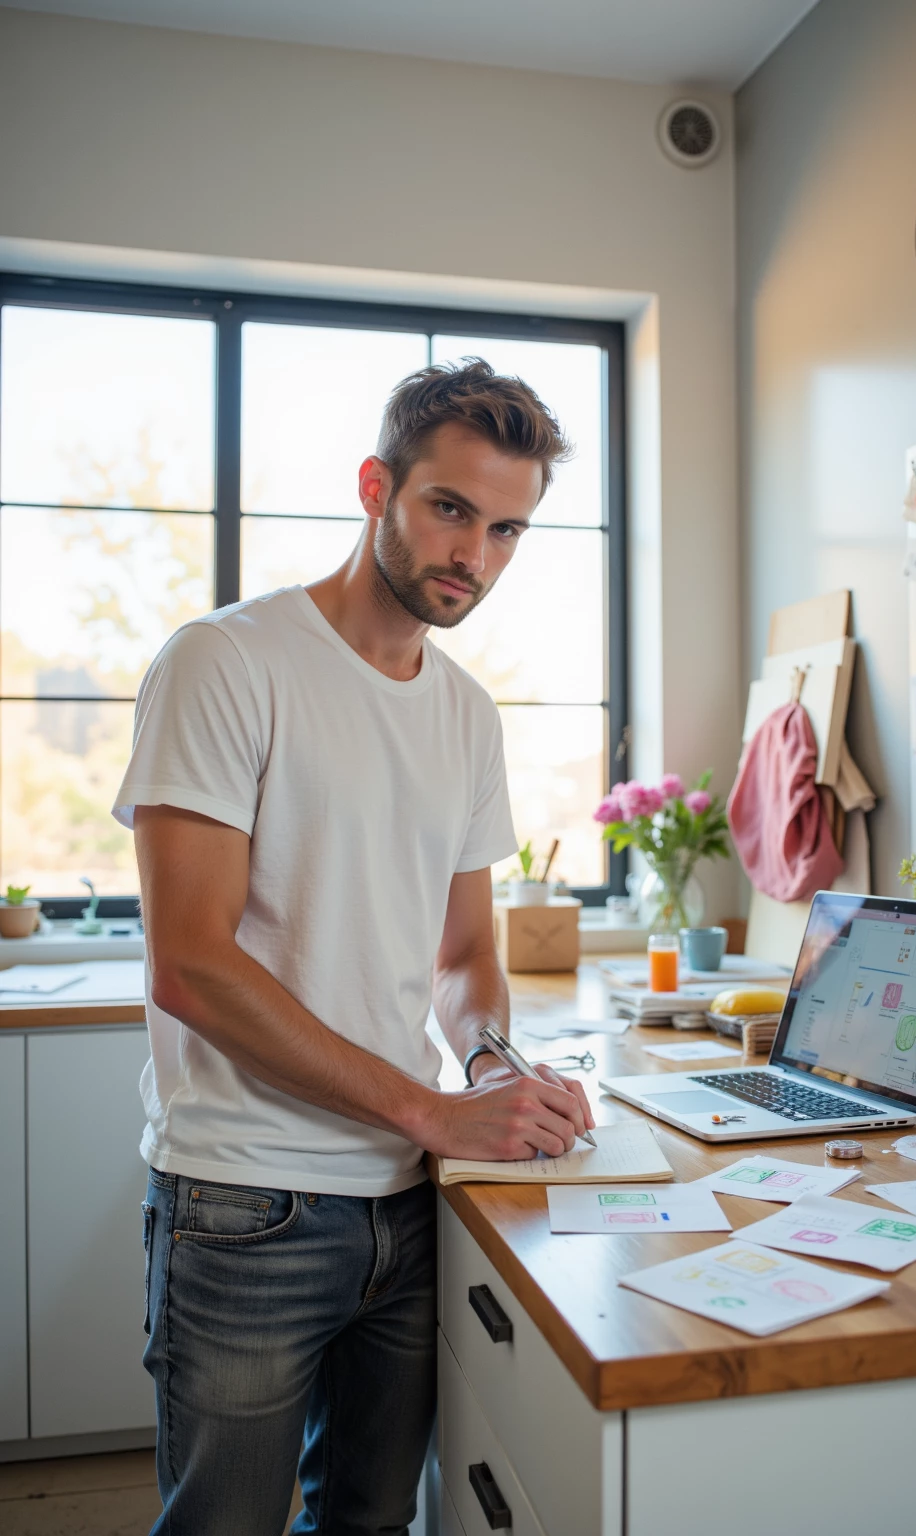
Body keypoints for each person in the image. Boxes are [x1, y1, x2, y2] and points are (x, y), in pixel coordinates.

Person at [113, 359, 596, 1536]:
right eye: (448, 509)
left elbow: (465, 949)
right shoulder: (226, 663)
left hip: (409, 1199)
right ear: (377, 485)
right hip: (246, 1201)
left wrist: (488, 1066)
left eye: (506, 529)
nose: (472, 554)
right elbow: (190, 961)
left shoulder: (466, 713)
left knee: (374, 1521)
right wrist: (428, 1110)